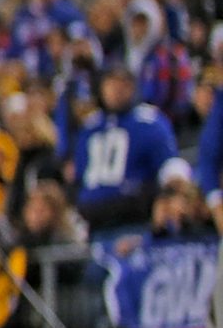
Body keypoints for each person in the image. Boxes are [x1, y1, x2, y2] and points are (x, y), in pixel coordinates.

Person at [67, 66, 179, 236]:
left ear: (132, 87)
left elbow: (169, 168)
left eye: (122, 85)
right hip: (94, 221)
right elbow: (80, 175)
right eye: (110, 85)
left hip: (134, 220)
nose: (115, 91)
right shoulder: (90, 127)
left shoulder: (149, 122)